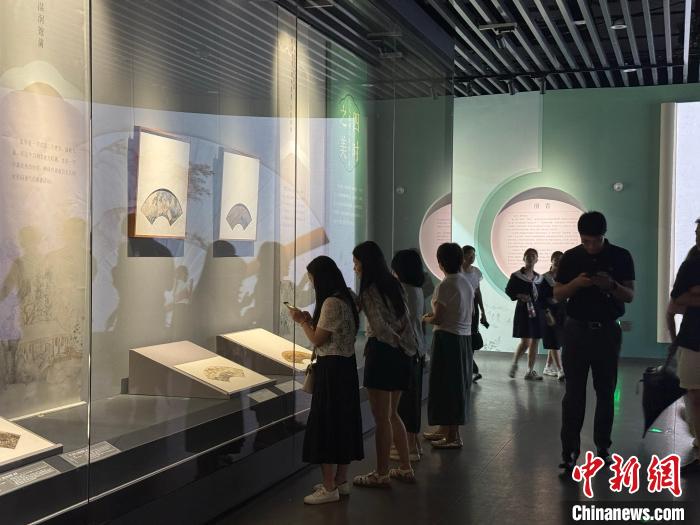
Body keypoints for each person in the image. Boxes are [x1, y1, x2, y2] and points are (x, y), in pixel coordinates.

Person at [554, 211, 635, 471]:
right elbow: (558, 294)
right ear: (580, 237)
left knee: (606, 391)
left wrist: (611, 285)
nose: (591, 246)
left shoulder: (621, 256)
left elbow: (630, 295)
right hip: (576, 331)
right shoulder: (570, 257)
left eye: (596, 241)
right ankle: (569, 452)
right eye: (586, 241)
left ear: (604, 235)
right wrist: (577, 284)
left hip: (607, 331)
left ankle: (603, 447)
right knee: (573, 394)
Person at [290, 256, 364, 504]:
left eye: (312, 279)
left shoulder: (331, 302)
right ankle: (341, 480)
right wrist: (311, 321)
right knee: (343, 423)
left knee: (327, 424)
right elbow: (331, 332)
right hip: (346, 367)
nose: (311, 283)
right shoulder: (348, 296)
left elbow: (317, 339)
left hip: (331, 370)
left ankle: (329, 486)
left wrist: (302, 321)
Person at [351, 241, 418, 487]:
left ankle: (381, 473)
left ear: (365, 263)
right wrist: (402, 343)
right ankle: (405, 467)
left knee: (381, 418)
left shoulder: (369, 290)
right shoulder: (394, 284)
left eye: (356, 262)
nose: (355, 267)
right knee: (392, 413)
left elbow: (379, 328)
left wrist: (391, 340)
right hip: (402, 355)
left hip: (382, 354)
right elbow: (405, 319)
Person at [423, 243, 474, 449]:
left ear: (440, 263)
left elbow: (438, 318)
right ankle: (444, 429)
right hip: (463, 338)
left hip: (447, 339)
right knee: (454, 385)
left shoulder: (445, 286)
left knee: (446, 386)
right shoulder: (465, 282)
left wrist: (425, 318)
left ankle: (453, 436)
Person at [668, 219, 700, 476]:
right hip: (692, 339)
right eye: (697, 233)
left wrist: (696, 295)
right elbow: (678, 298)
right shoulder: (690, 265)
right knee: (694, 396)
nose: (698, 237)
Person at [390, 249, 427, 461]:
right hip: (417, 349)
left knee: (404, 403)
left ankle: (409, 446)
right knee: (412, 400)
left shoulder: (402, 290)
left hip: (406, 349)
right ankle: (414, 444)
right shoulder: (417, 290)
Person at [505, 248, 543, 380]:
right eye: (528, 255)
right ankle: (515, 363)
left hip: (537, 312)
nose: (530, 257)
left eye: (533, 256)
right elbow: (509, 290)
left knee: (535, 340)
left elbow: (542, 296)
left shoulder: (539, 278)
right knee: (526, 342)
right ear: (524, 258)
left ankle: (529, 371)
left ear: (537, 259)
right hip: (523, 311)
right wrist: (519, 295)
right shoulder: (516, 276)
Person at [462, 245, 489, 382]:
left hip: (473, 307)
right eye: (469, 254)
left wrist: (483, 311)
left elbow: (478, 292)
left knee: (471, 337)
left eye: (474, 255)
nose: (472, 257)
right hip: (461, 307)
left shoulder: (476, 272)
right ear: (463, 255)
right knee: (463, 336)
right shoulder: (457, 271)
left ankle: (470, 370)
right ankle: (470, 369)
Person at [539, 251, 566, 381]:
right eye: (556, 258)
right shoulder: (544, 278)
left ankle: (548, 367)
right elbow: (540, 298)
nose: (558, 260)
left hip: (562, 312)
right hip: (549, 313)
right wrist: (547, 312)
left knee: (556, 341)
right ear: (551, 260)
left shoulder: (564, 278)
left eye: (561, 259)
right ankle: (560, 370)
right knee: (553, 341)